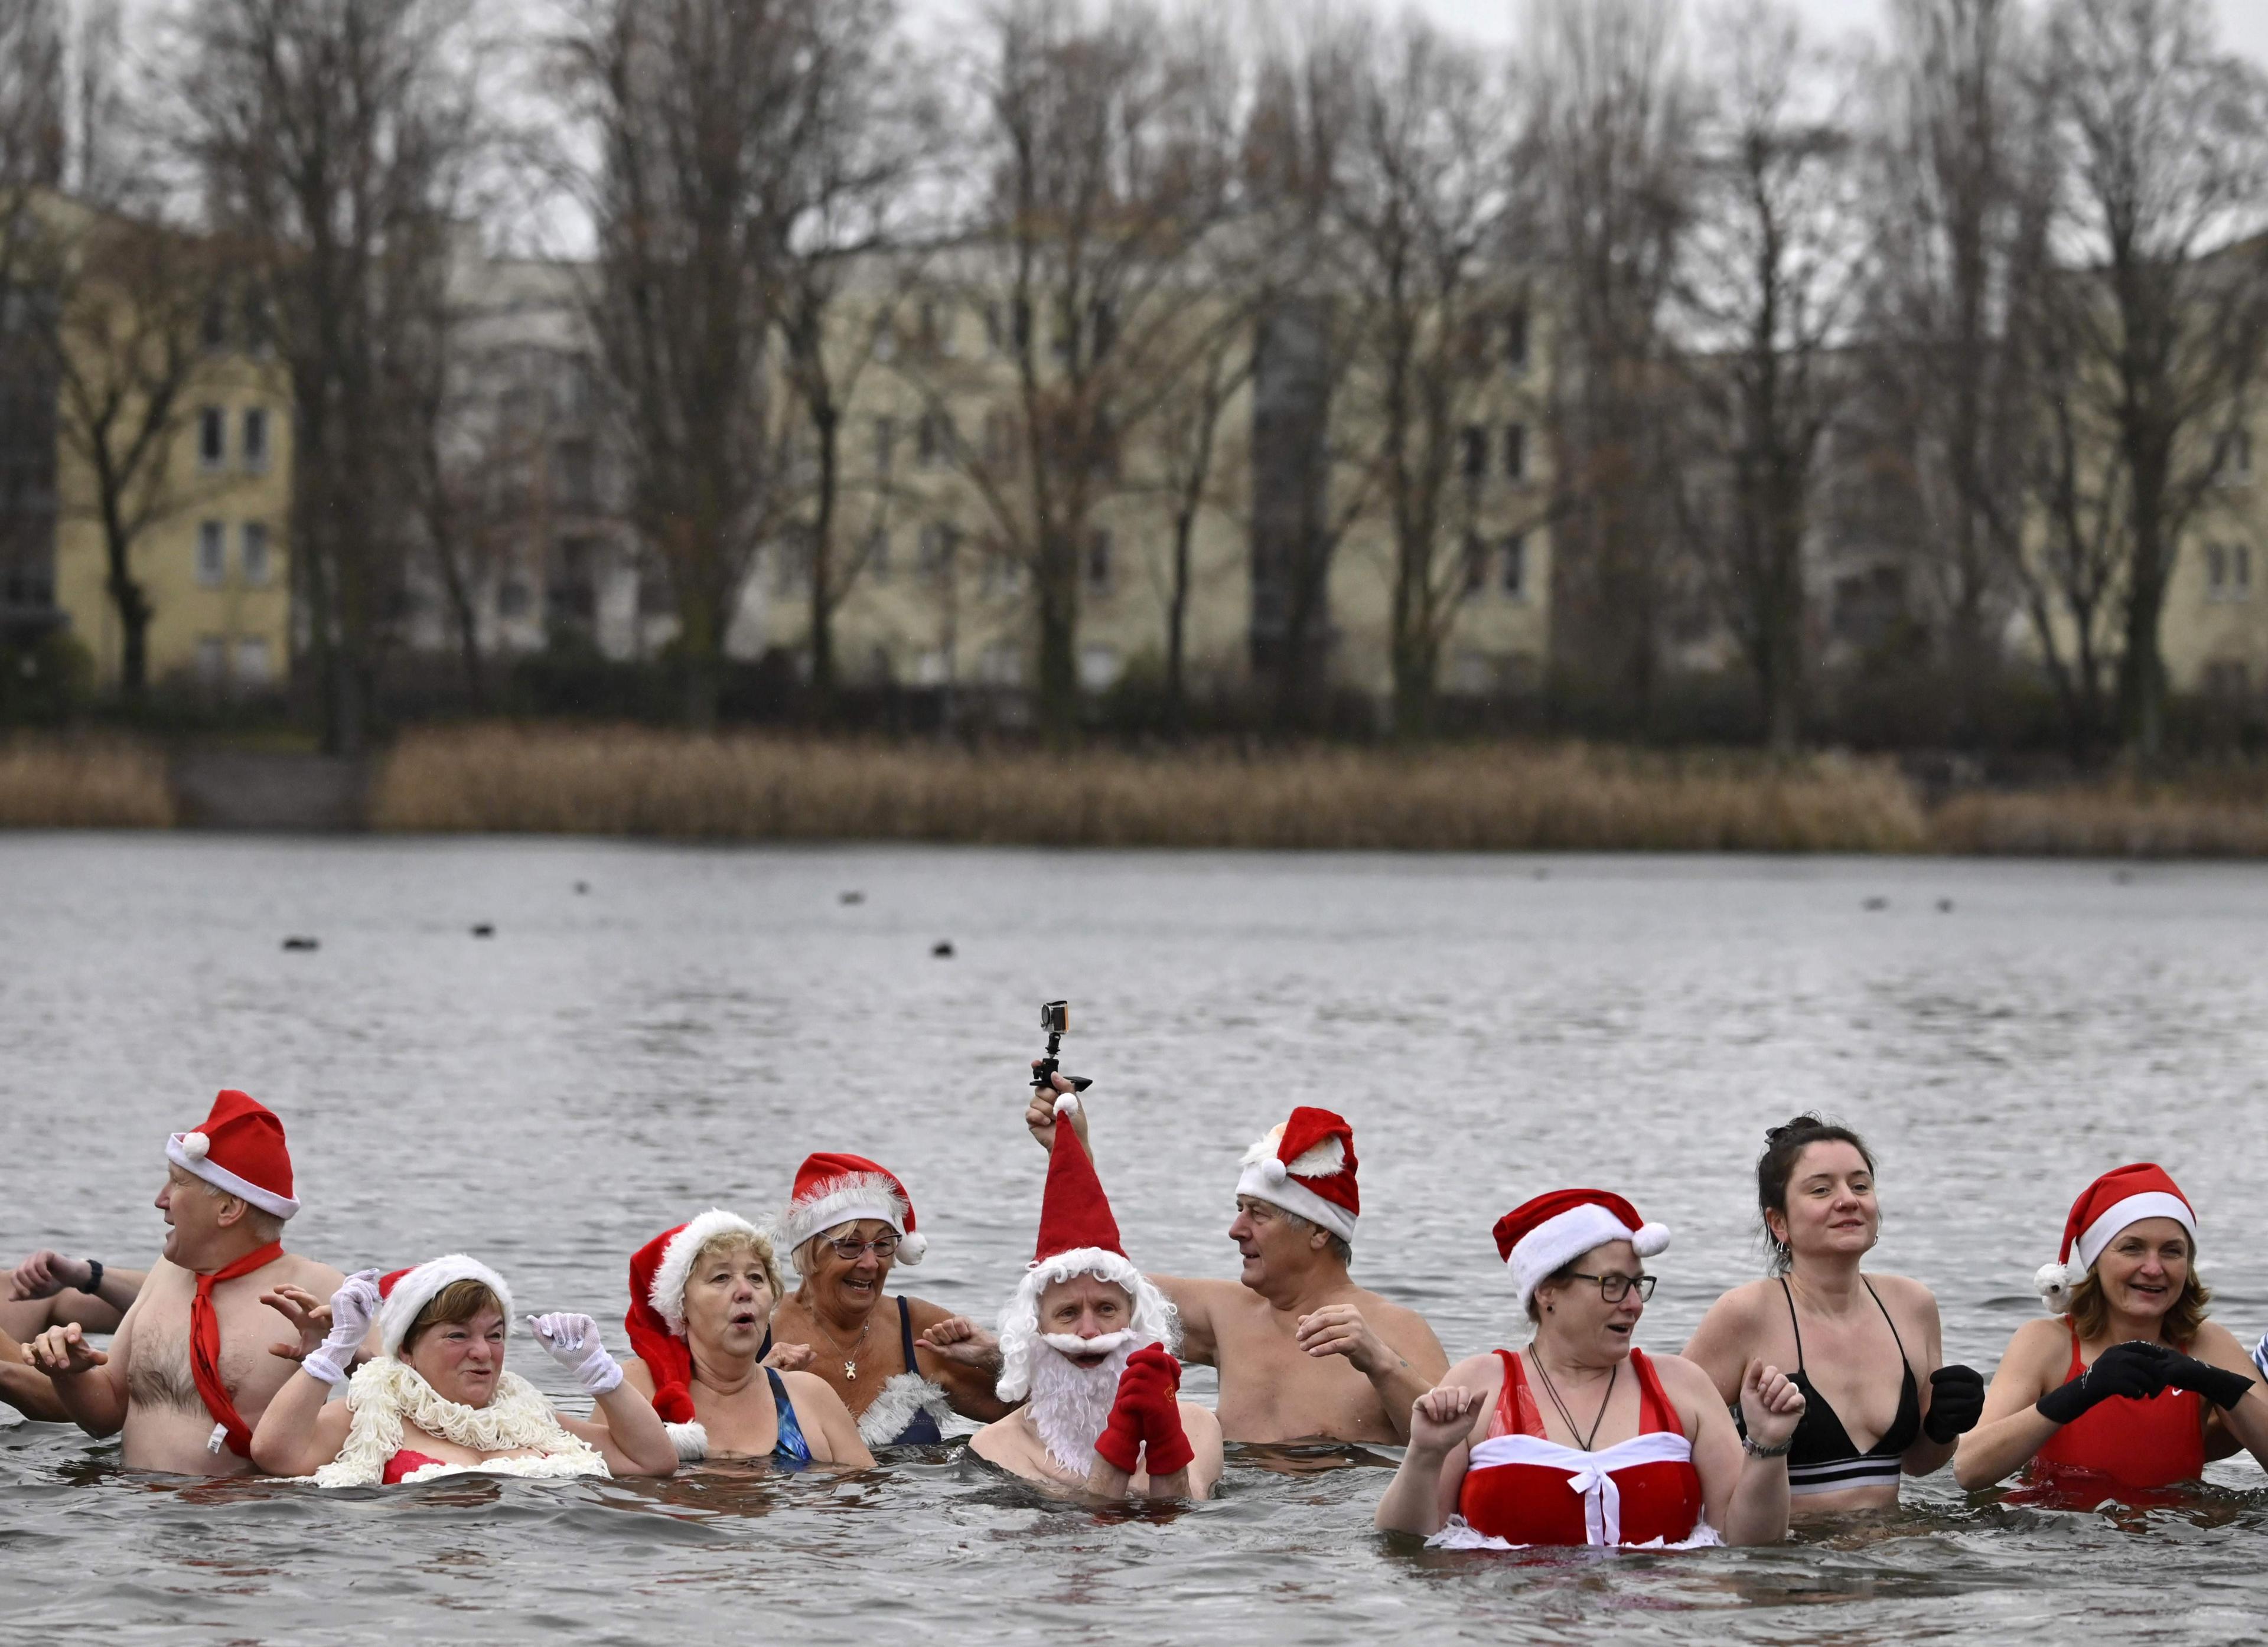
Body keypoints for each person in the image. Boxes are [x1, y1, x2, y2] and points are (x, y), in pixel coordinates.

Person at [1376, 1189, 1806, 1548]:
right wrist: (1423, 1454)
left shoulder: (1682, 1386)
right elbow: (1405, 1541)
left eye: (1637, 1284)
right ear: (1547, 1290)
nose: (1634, 1303)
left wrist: (1768, 1445)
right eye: (1612, 1284)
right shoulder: (1480, 1386)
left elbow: (1751, 1548)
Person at [1028, 1082, 1446, 1445]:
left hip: (1339, 1522)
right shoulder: (1224, 1312)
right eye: (1239, 1209)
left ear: (1319, 1232)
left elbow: (1457, 1447)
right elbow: (1096, 1282)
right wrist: (1072, 1150)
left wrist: (1380, 1362)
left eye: (1258, 1214)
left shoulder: (1396, 1331)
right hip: (1229, 1525)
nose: (1236, 1228)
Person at [24, 1091, 353, 1474]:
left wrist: (337, 1352)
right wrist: (68, 1372)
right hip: (132, 1514)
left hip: (250, 1523)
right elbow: (106, 1414)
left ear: (228, 1208)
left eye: (177, 1183)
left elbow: (406, 1390)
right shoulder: (166, 1273)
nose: (160, 1200)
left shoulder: (320, 1287)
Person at [1683, 1117, 1984, 1511]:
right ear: (1779, 1223)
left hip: (1894, 1555)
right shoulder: (1746, 1313)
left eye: (1860, 1185)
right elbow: (1665, 1434)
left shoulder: (1913, 1305)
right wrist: (1757, 1443)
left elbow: (1919, 1462)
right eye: (1822, 1189)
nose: (1848, 1199)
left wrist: (1945, 1426)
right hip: (1787, 1560)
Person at [1956, 1163, 2268, 1494]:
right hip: (2058, 1536)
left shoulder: (2209, 1343)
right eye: (2132, 1248)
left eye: (2172, 1251)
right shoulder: (2046, 1341)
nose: (2153, 1268)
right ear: (2096, 1262)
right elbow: (1969, 1469)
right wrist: (2083, 1390)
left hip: (2177, 1537)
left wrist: (2215, 1383)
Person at [973, 1094, 1223, 1499]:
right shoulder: (994, 1448)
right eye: (1068, 1312)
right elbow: (1091, 1524)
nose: (1089, 1331)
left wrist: (1164, 1439)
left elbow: (1179, 1524)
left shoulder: (1198, 1426)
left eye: (1107, 1309)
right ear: (1035, 1330)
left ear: (1136, 1320)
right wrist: (1122, 1439)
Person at [252, 1254, 679, 1484]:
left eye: (495, 1335)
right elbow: (276, 1453)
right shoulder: (370, 1414)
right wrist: (337, 1346)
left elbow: (654, 1461)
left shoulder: (530, 1417)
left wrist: (597, 1371)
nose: (482, 1352)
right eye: (457, 1336)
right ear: (408, 1350)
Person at [767, 1153, 1012, 1448]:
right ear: (808, 1254)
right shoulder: (758, 1330)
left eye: (883, 1245)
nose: (871, 1263)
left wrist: (996, 1359)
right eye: (850, 1245)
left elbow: (1050, 1422)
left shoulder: (920, 1330)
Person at [614, 1209, 871, 1468]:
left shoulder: (811, 1396)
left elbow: (866, 1500)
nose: (745, 1291)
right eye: (721, 1277)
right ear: (680, 1309)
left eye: (756, 1278)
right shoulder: (635, 1388)